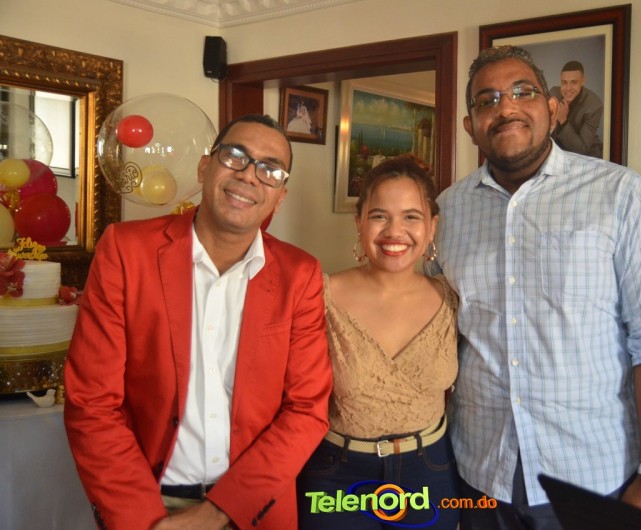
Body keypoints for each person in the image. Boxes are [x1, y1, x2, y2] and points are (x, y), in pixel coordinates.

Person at [426, 45, 641, 529]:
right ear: (470, 125)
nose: (505, 108)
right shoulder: (447, 210)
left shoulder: (620, 194)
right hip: (479, 471)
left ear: (552, 108)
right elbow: (427, 326)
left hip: (592, 476)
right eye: (487, 100)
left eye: (522, 92)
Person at [64, 114, 333, 530]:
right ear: (205, 167)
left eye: (270, 169)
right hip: (147, 504)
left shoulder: (299, 275)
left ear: (280, 196)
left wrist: (218, 512)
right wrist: (145, 522)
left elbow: (306, 410)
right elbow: (92, 402)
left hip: (254, 509)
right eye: (235, 156)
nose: (249, 175)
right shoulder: (126, 251)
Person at [297, 155, 460, 529]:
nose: (394, 231)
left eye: (411, 217)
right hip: (337, 473)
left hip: (430, 471)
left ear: (432, 226)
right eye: (379, 216)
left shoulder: (451, 297)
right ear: (359, 222)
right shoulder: (320, 295)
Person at [549, 60, 603, 158]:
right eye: (564, 82)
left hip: (587, 157)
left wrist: (563, 120)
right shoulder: (554, 93)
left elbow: (581, 149)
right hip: (559, 154)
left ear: (583, 81)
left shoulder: (594, 105)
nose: (568, 88)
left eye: (574, 82)